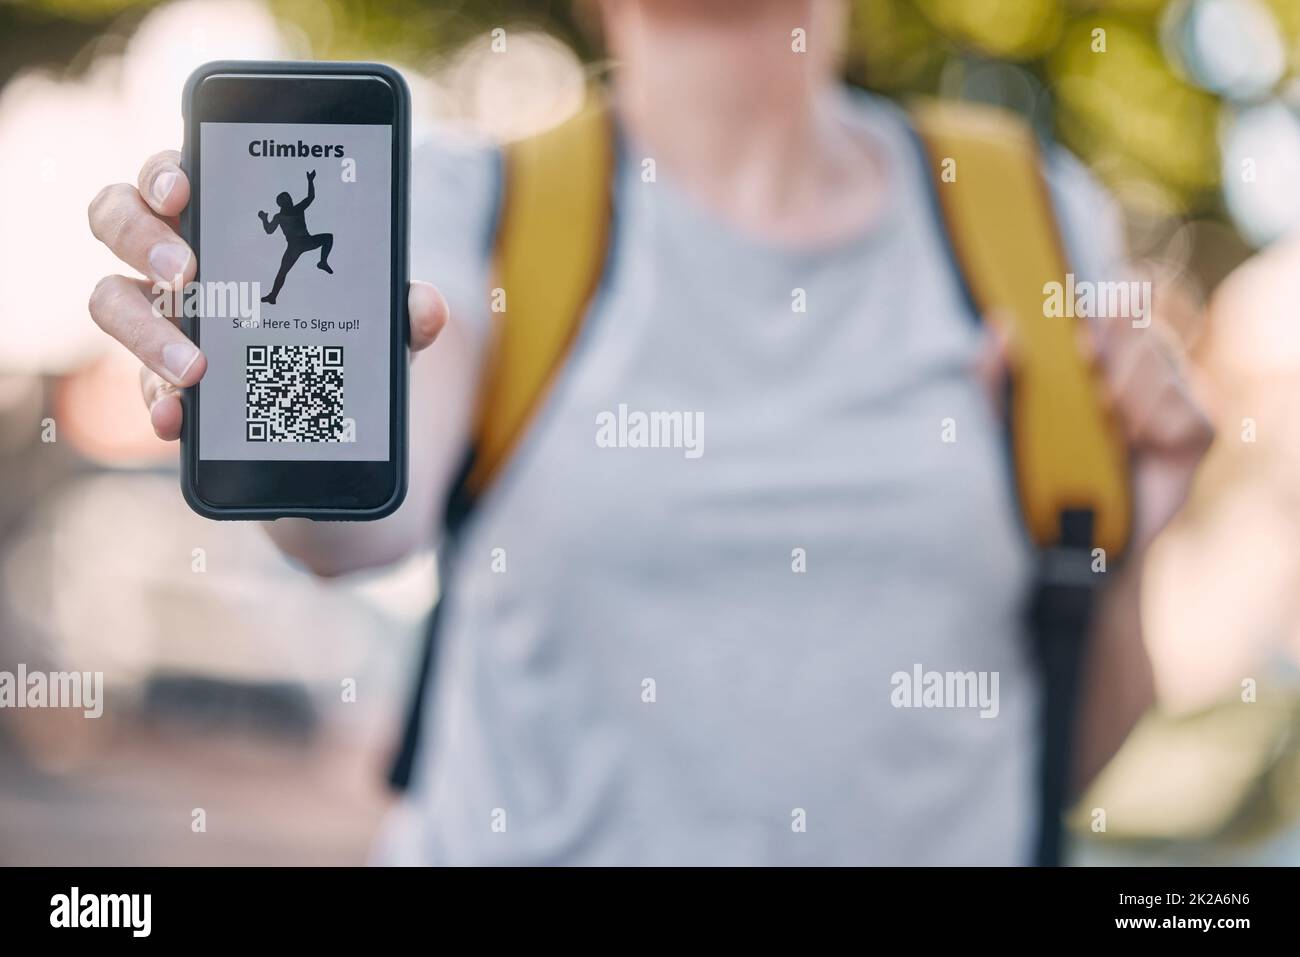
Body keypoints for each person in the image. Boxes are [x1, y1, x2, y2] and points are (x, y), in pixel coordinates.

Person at [85, 0, 1213, 865]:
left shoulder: (1029, 211)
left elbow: (1058, 755)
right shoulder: (470, 208)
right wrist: (253, 390)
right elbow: (342, 531)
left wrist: (1118, 547)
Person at [258, 169, 334, 304]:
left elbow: (310, 198)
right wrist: (264, 219)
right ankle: (273, 295)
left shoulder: (287, 213)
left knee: (328, 237)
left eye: (290, 198)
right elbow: (269, 230)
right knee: (282, 272)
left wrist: (310, 181)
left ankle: (323, 262)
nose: (291, 200)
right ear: (283, 203)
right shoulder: (287, 213)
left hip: (302, 243)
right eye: (288, 199)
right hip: (297, 245)